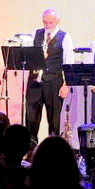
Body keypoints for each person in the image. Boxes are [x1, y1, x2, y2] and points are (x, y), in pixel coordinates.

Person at [25, 9, 74, 145]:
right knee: (31, 118)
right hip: (35, 82)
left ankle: (53, 148)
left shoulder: (65, 37)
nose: (47, 25)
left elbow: (68, 62)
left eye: (50, 22)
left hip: (53, 82)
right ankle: (31, 147)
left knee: (54, 119)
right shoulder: (35, 34)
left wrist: (66, 85)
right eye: (45, 22)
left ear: (57, 21)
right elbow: (28, 55)